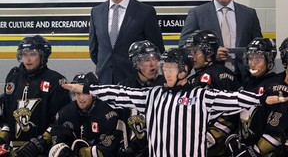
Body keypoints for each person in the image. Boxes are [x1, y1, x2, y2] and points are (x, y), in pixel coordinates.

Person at [62, 48, 288, 157]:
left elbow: (234, 98)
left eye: (171, 68)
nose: (166, 72)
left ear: (185, 71)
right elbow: (120, 93)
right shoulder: (153, 95)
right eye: (165, 68)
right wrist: (88, 88)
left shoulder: (202, 96)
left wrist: (261, 98)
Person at [179, 0, 262, 84]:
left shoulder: (249, 14)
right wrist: (209, 55)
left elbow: (259, 48)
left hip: (245, 79)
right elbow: (183, 47)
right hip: (210, 79)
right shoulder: (197, 13)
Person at [89, 0, 165, 85]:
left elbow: (157, 49)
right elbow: (94, 51)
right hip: (105, 81)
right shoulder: (96, 12)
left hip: (135, 82)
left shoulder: (145, 12)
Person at [0, 35, 71, 156]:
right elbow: (6, 116)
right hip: (14, 150)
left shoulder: (56, 81)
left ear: (43, 55)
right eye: (24, 54)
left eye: (33, 54)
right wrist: (2, 138)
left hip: (44, 151)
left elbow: (62, 121)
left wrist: (41, 142)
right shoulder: (13, 78)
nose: (28, 59)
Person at [184, 30, 241, 157]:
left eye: (195, 52)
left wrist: (211, 137)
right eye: (189, 52)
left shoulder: (221, 75)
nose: (190, 56)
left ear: (208, 53)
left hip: (217, 148)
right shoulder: (193, 78)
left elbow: (231, 113)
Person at [225, 37, 285, 156]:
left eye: (258, 59)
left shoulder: (277, 87)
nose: (252, 63)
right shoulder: (247, 84)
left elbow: (276, 132)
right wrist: (235, 137)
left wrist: (253, 153)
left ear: (269, 61)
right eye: (250, 58)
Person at [48, 72, 121, 157]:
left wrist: (78, 152)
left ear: (94, 94)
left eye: (85, 93)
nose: (81, 98)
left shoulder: (107, 115)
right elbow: (56, 142)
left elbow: (108, 151)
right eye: (78, 93)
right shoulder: (64, 114)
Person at [117, 40, 165, 156]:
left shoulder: (165, 85)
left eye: (155, 58)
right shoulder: (124, 86)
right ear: (136, 63)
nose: (152, 64)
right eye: (147, 59)